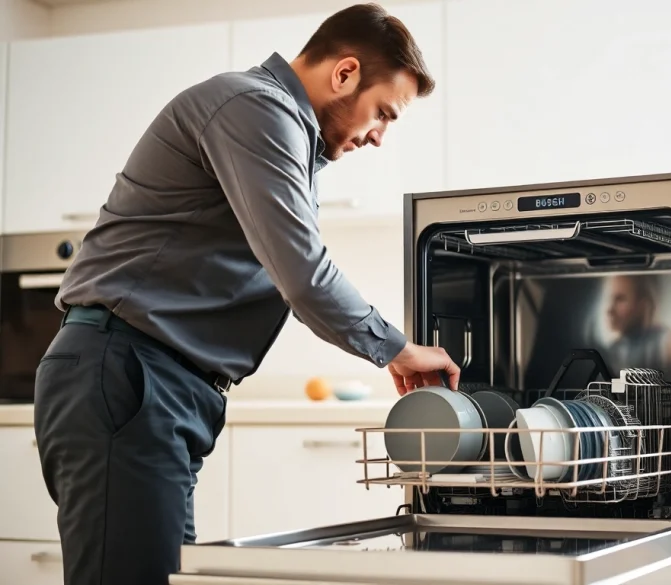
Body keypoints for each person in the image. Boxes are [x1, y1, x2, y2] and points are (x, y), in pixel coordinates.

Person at [32, 4, 459, 585]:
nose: (380, 136)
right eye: (383, 112)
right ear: (345, 74)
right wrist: (398, 349)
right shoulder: (256, 108)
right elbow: (304, 274)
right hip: (129, 373)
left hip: (153, 384)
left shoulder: (275, 128)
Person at [602, 274, 671, 381]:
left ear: (642, 304)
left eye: (620, 299)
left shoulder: (669, 344)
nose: (609, 310)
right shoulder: (613, 351)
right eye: (609, 299)